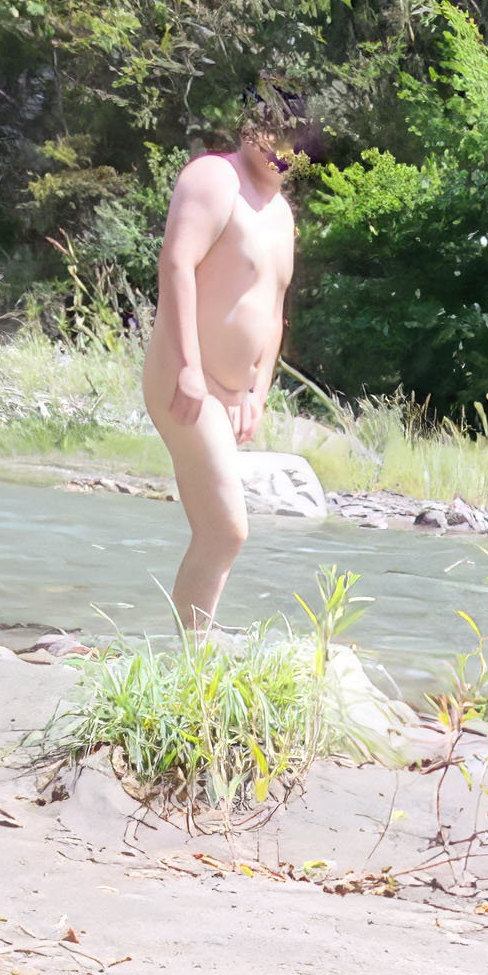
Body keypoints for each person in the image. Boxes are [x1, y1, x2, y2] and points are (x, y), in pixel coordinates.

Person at [141, 107, 299, 634]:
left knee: (216, 530)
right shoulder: (214, 177)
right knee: (226, 530)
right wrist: (188, 367)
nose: (285, 144)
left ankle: (191, 653)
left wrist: (258, 390)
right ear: (249, 128)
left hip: (232, 394)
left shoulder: (282, 216)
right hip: (186, 378)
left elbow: (274, 308)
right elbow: (176, 263)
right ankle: (190, 662)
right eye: (275, 128)